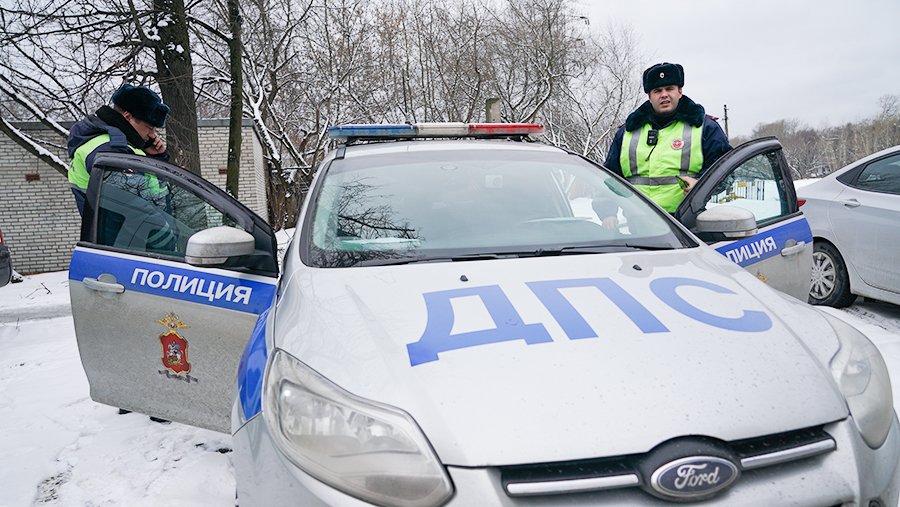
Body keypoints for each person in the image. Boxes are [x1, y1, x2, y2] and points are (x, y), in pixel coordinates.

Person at [604, 62, 732, 213]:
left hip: (684, 221)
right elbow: (608, 178)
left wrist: (700, 185)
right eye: (657, 90)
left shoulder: (705, 128)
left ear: (680, 91)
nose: (664, 94)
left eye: (669, 88)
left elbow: (726, 172)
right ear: (649, 96)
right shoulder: (627, 132)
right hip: (638, 220)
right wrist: (607, 213)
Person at [67, 84, 170, 216]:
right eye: (149, 127)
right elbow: (139, 209)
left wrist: (156, 158)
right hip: (130, 229)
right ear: (127, 117)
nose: (152, 134)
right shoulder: (112, 149)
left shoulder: (104, 143)